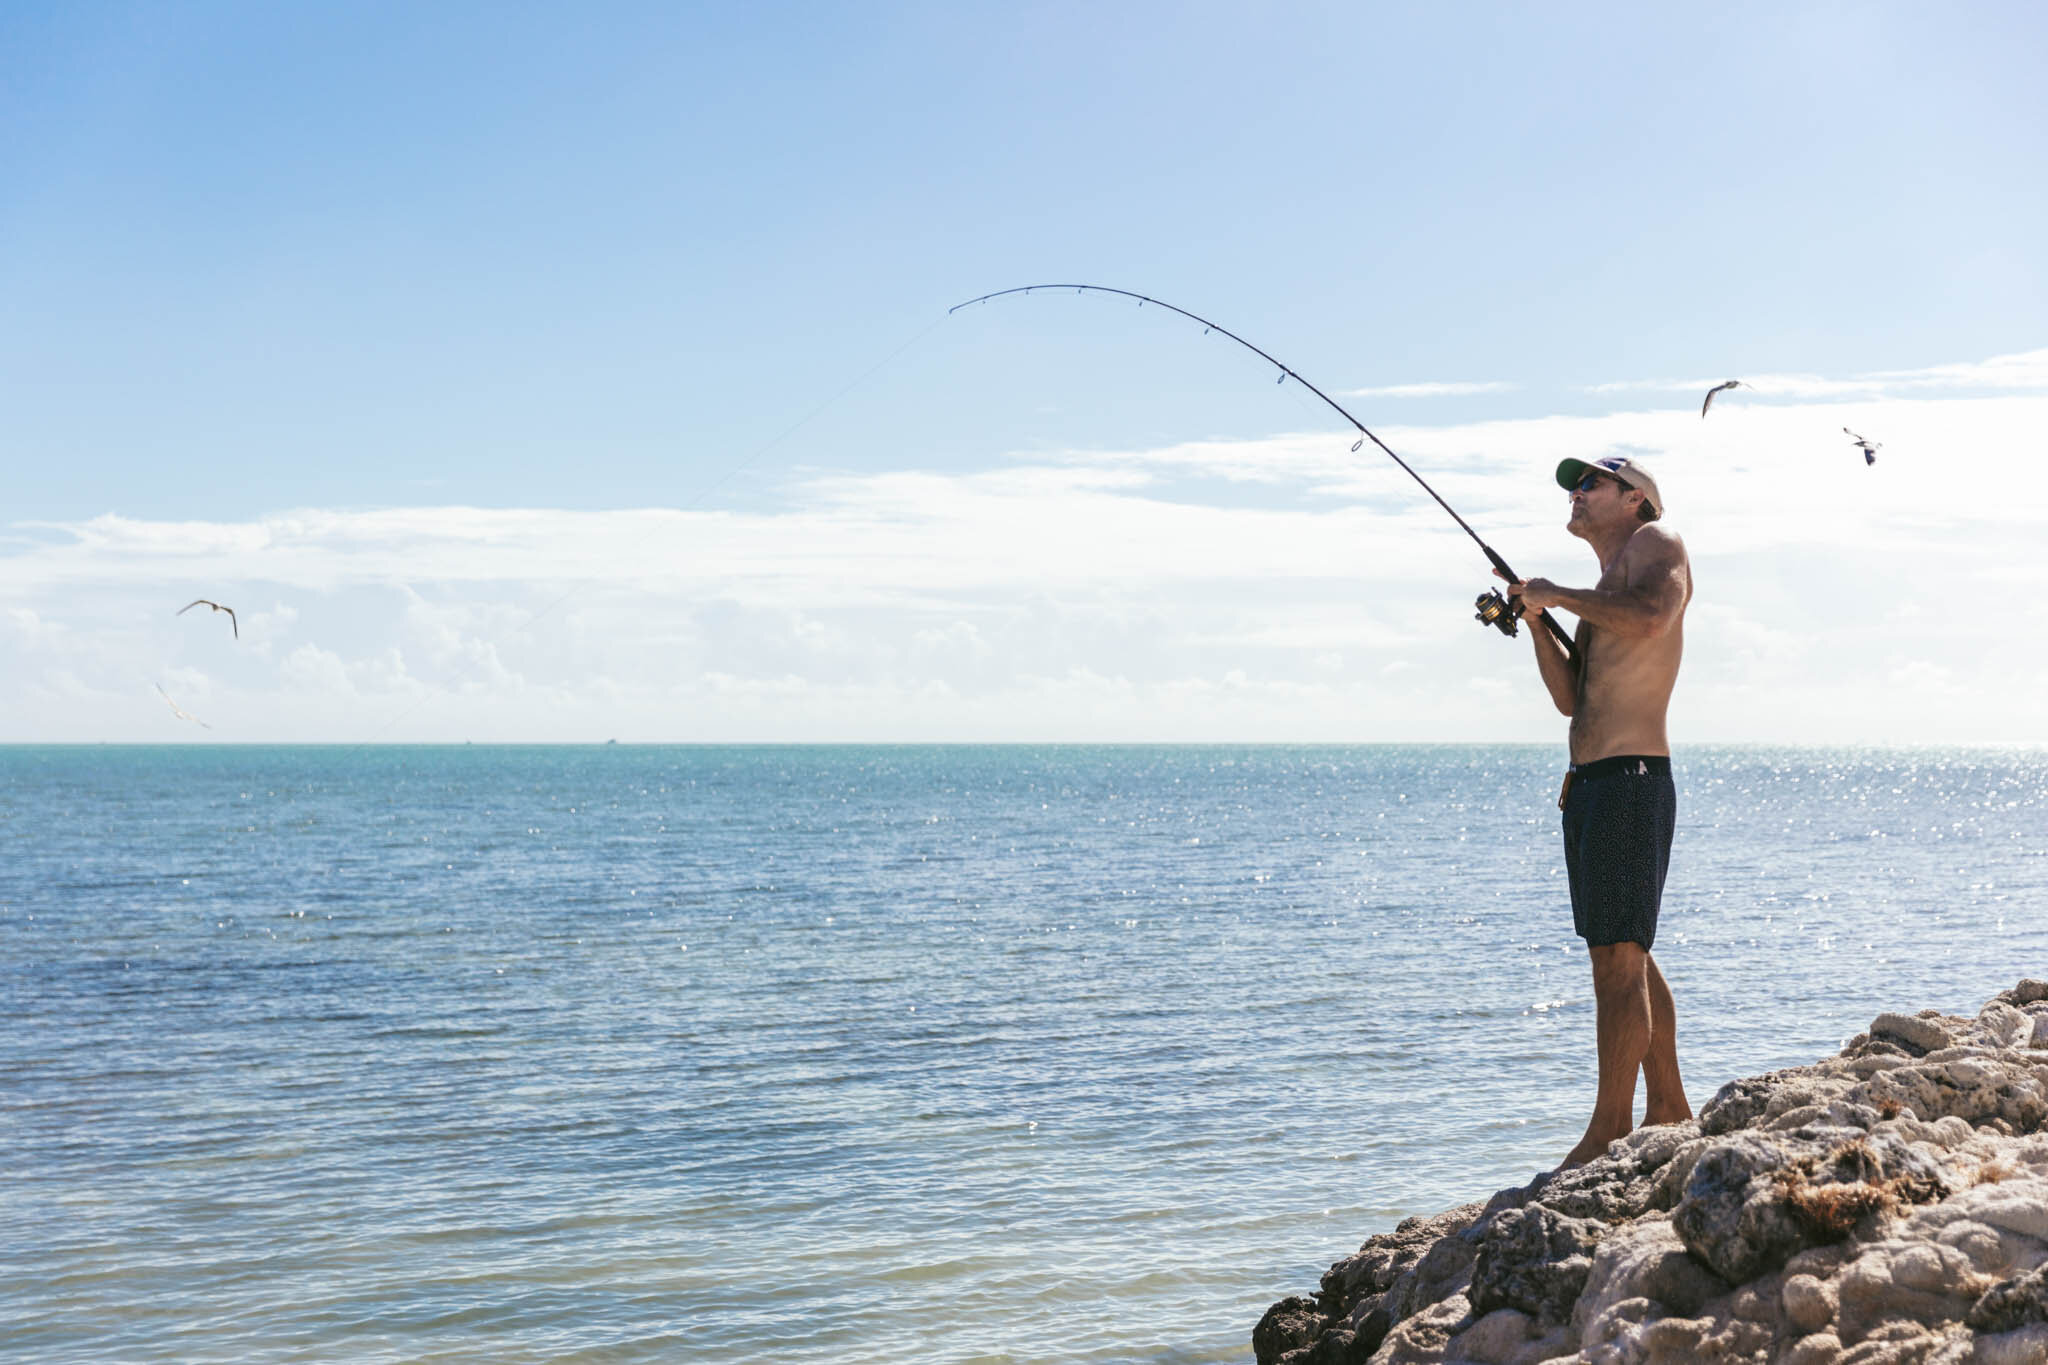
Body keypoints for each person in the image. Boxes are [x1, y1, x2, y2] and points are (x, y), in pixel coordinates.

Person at [1507, 454, 1694, 1169]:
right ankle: (1670, 1105)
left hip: (1631, 777)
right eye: (1573, 484)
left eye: (1591, 482)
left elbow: (1653, 619)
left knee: (1618, 960)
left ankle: (1609, 1130)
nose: (1576, 493)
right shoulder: (1602, 589)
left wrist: (1559, 591)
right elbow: (1571, 698)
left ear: (1635, 498)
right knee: (1626, 954)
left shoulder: (1658, 545)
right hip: (1592, 781)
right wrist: (1535, 619)